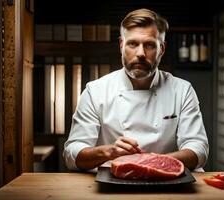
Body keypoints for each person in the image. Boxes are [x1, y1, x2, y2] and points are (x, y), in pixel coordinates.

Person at [63, 8, 209, 171]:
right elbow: (72, 153)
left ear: (162, 49)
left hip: (168, 185)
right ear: (121, 45)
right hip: (113, 184)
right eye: (133, 44)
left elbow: (198, 149)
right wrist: (107, 151)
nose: (140, 53)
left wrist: (154, 163)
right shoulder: (95, 91)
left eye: (149, 45)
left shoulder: (182, 90)